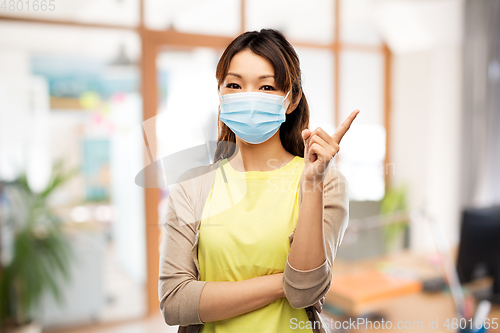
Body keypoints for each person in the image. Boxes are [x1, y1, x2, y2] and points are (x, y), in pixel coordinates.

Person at [159, 28, 359, 333]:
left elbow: (305, 290)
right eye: (235, 85)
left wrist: (311, 184)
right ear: (221, 97)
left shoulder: (326, 183)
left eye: (266, 87)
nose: (248, 97)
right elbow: (175, 303)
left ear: (291, 100)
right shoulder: (192, 187)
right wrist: (283, 283)